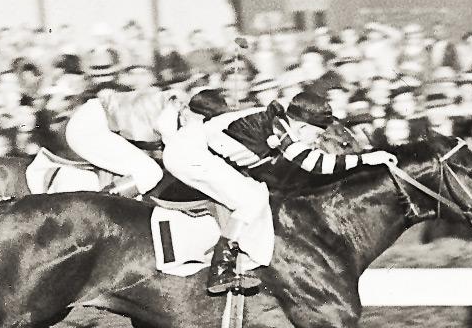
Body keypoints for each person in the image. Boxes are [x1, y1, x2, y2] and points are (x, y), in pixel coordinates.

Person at [162, 86, 395, 295]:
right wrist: (367, 159)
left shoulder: (280, 122)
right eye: (316, 133)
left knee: (257, 193)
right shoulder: (279, 129)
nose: (317, 140)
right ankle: (221, 268)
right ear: (302, 126)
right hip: (188, 155)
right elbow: (315, 164)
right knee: (252, 199)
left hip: (193, 150)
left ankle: (242, 262)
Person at [62, 75, 179, 198]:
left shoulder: (179, 106)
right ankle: (102, 205)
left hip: (92, 118)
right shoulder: (176, 117)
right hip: (92, 126)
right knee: (150, 174)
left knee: (147, 170)